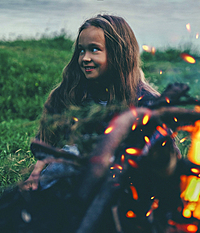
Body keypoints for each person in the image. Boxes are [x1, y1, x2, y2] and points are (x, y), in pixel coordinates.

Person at [25, 14, 160, 190]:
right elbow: (48, 145)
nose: (85, 58)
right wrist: (35, 174)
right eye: (82, 50)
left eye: (94, 49)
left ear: (118, 53)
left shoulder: (145, 102)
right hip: (68, 181)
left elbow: (161, 161)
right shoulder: (71, 93)